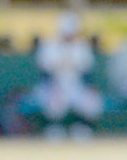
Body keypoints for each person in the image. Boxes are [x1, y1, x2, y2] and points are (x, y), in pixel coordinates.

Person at [29, 12, 104, 140]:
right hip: (53, 85)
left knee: (91, 102)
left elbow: (87, 72)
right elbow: (44, 73)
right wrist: (54, 88)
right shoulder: (49, 46)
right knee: (54, 103)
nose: (69, 36)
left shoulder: (82, 46)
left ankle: (81, 127)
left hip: (76, 85)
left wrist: (91, 88)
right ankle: (54, 128)